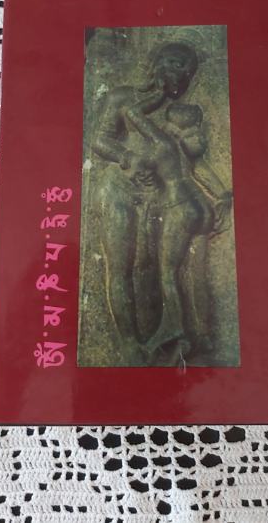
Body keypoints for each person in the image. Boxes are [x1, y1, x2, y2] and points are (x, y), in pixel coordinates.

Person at [93, 42, 199, 363]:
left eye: (185, 68)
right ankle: (128, 343)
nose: (177, 71)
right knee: (120, 266)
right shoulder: (122, 97)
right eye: (173, 62)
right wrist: (127, 158)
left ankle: (160, 339)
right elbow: (99, 139)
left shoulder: (179, 115)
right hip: (118, 189)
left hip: (158, 198)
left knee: (151, 268)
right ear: (155, 64)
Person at [125, 99, 232, 364]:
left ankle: (175, 330)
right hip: (201, 206)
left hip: (179, 206)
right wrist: (223, 195)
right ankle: (203, 334)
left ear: (171, 125)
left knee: (168, 272)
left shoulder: (161, 144)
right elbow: (200, 169)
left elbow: (132, 112)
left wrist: (146, 99)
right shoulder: (185, 149)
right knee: (196, 274)